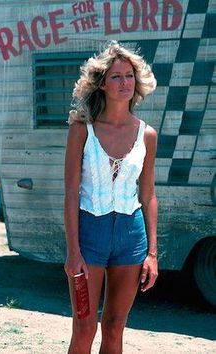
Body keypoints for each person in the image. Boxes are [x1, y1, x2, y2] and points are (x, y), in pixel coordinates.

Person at [64, 41, 158, 354]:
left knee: (116, 326)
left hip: (131, 237)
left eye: (129, 76)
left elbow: (148, 195)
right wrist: (72, 251)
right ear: (102, 84)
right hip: (90, 234)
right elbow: (70, 193)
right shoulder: (82, 129)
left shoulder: (147, 134)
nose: (124, 83)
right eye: (116, 77)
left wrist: (152, 253)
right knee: (84, 327)